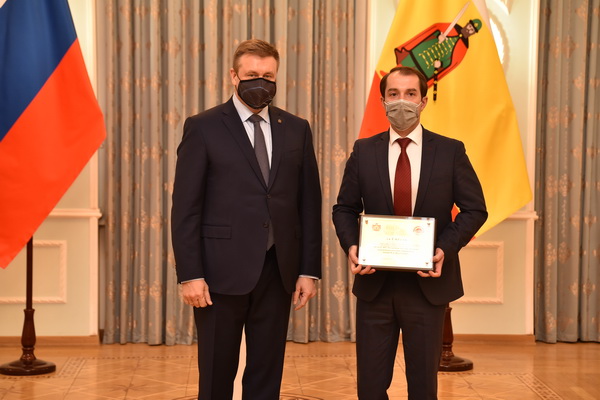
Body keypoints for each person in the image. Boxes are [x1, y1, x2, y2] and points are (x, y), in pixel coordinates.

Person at [171, 39, 322, 400]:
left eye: (268, 76)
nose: (261, 82)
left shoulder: (296, 128)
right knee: (216, 372)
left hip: (278, 270)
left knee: (267, 372)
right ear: (233, 76)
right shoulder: (203, 127)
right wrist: (190, 274)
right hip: (218, 273)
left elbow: (308, 204)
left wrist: (308, 270)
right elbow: (186, 207)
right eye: (252, 74)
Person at [332, 66, 487, 400]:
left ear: (423, 101)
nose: (401, 101)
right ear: (383, 101)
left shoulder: (450, 151)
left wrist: (444, 248)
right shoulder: (364, 151)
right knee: (370, 386)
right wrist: (352, 246)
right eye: (393, 94)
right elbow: (343, 208)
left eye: (410, 94)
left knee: (423, 386)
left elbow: (475, 209)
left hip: (427, 286)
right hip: (375, 285)